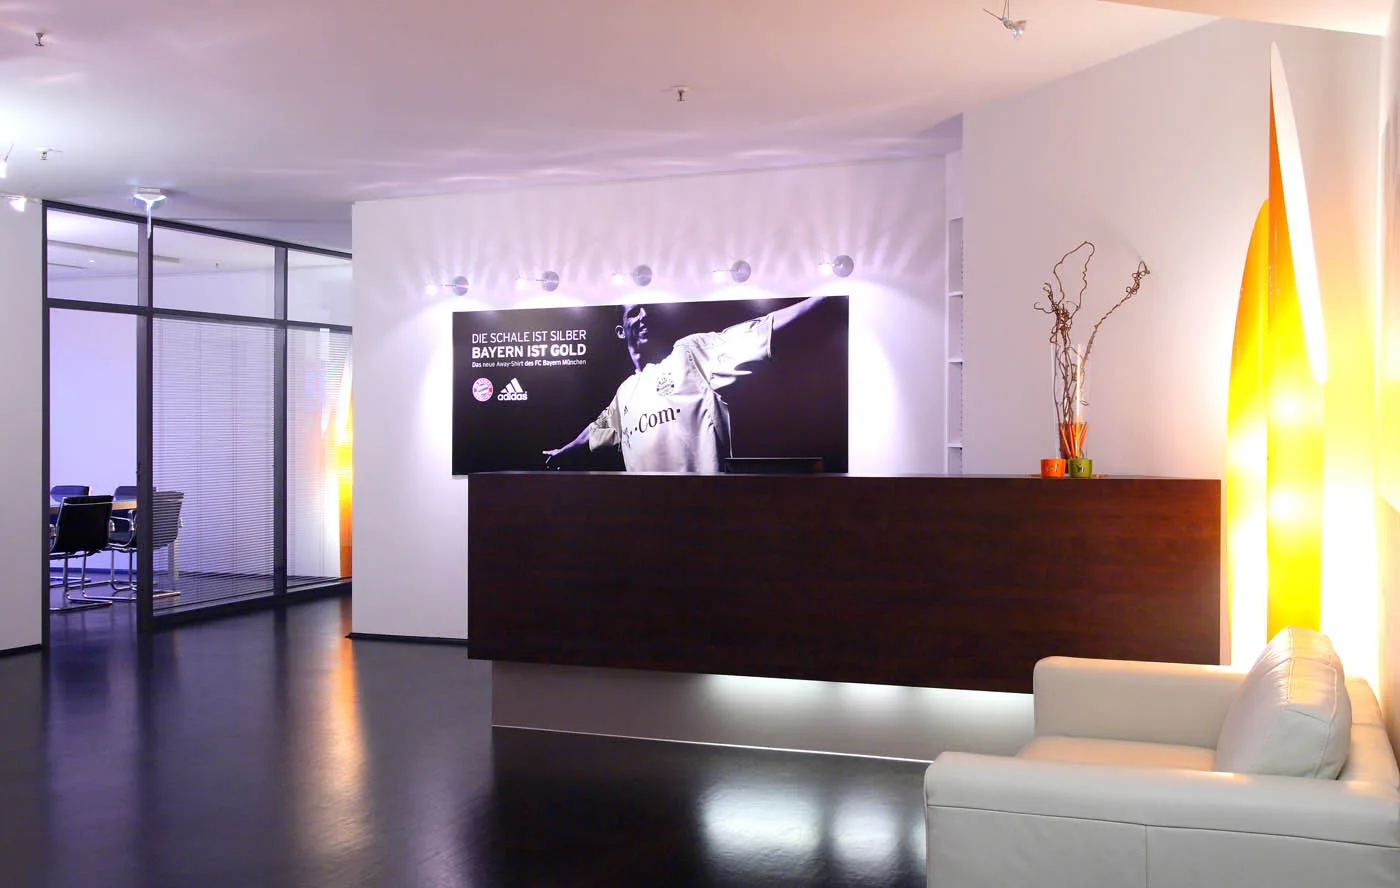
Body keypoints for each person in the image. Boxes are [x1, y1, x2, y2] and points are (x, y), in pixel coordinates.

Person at [543, 296, 831, 472]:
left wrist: (823, 298)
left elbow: (759, 330)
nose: (644, 316)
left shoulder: (689, 353)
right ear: (621, 331)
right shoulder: (626, 391)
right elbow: (597, 429)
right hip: (646, 520)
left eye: (648, 309)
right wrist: (564, 451)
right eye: (634, 312)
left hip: (702, 511)